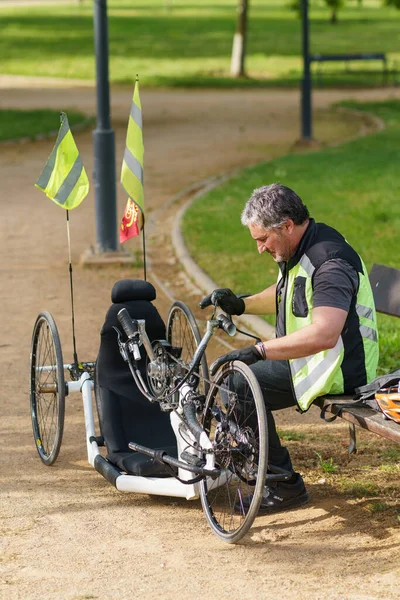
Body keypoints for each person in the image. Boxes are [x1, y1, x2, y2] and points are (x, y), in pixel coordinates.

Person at [201, 183, 379, 515]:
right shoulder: (303, 247)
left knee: (237, 383)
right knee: (234, 379)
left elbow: (325, 334)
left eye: (262, 240)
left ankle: (282, 485)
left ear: (286, 226)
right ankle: (265, 469)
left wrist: (260, 350)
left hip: (337, 368)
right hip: (319, 360)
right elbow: (290, 292)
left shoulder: (330, 262)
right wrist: (241, 304)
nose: (259, 249)